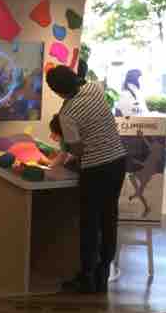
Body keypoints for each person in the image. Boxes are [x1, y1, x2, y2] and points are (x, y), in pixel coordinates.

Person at [46, 64, 127, 293]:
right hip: (118, 161)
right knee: (109, 218)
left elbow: (77, 149)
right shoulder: (95, 89)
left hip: (95, 169)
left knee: (90, 223)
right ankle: (103, 272)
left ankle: (86, 277)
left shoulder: (68, 114)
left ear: (57, 91)